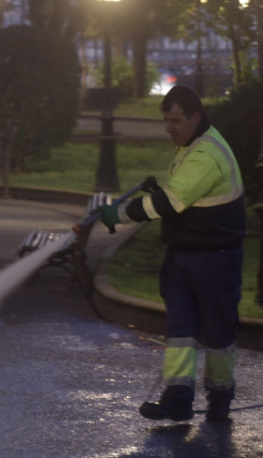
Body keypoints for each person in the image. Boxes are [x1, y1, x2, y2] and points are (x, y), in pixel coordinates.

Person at [98, 85, 246, 422]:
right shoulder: (191, 143)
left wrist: (118, 214)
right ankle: (177, 399)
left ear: (196, 117)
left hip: (214, 258)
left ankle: (220, 398)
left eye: (175, 120)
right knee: (180, 330)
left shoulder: (207, 154)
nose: (169, 127)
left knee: (218, 332)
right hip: (185, 254)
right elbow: (181, 197)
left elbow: (170, 203)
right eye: (166, 120)